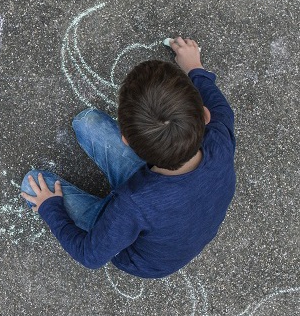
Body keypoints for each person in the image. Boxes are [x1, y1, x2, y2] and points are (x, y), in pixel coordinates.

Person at [20, 37, 235, 278]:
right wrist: (194, 67)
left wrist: (51, 210)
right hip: (180, 212)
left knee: (32, 183)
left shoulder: (133, 204)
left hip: (143, 256)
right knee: (87, 121)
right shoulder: (219, 133)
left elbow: (90, 255)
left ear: (127, 142)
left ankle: (65, 204)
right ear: (205, 116)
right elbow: (215, 100)